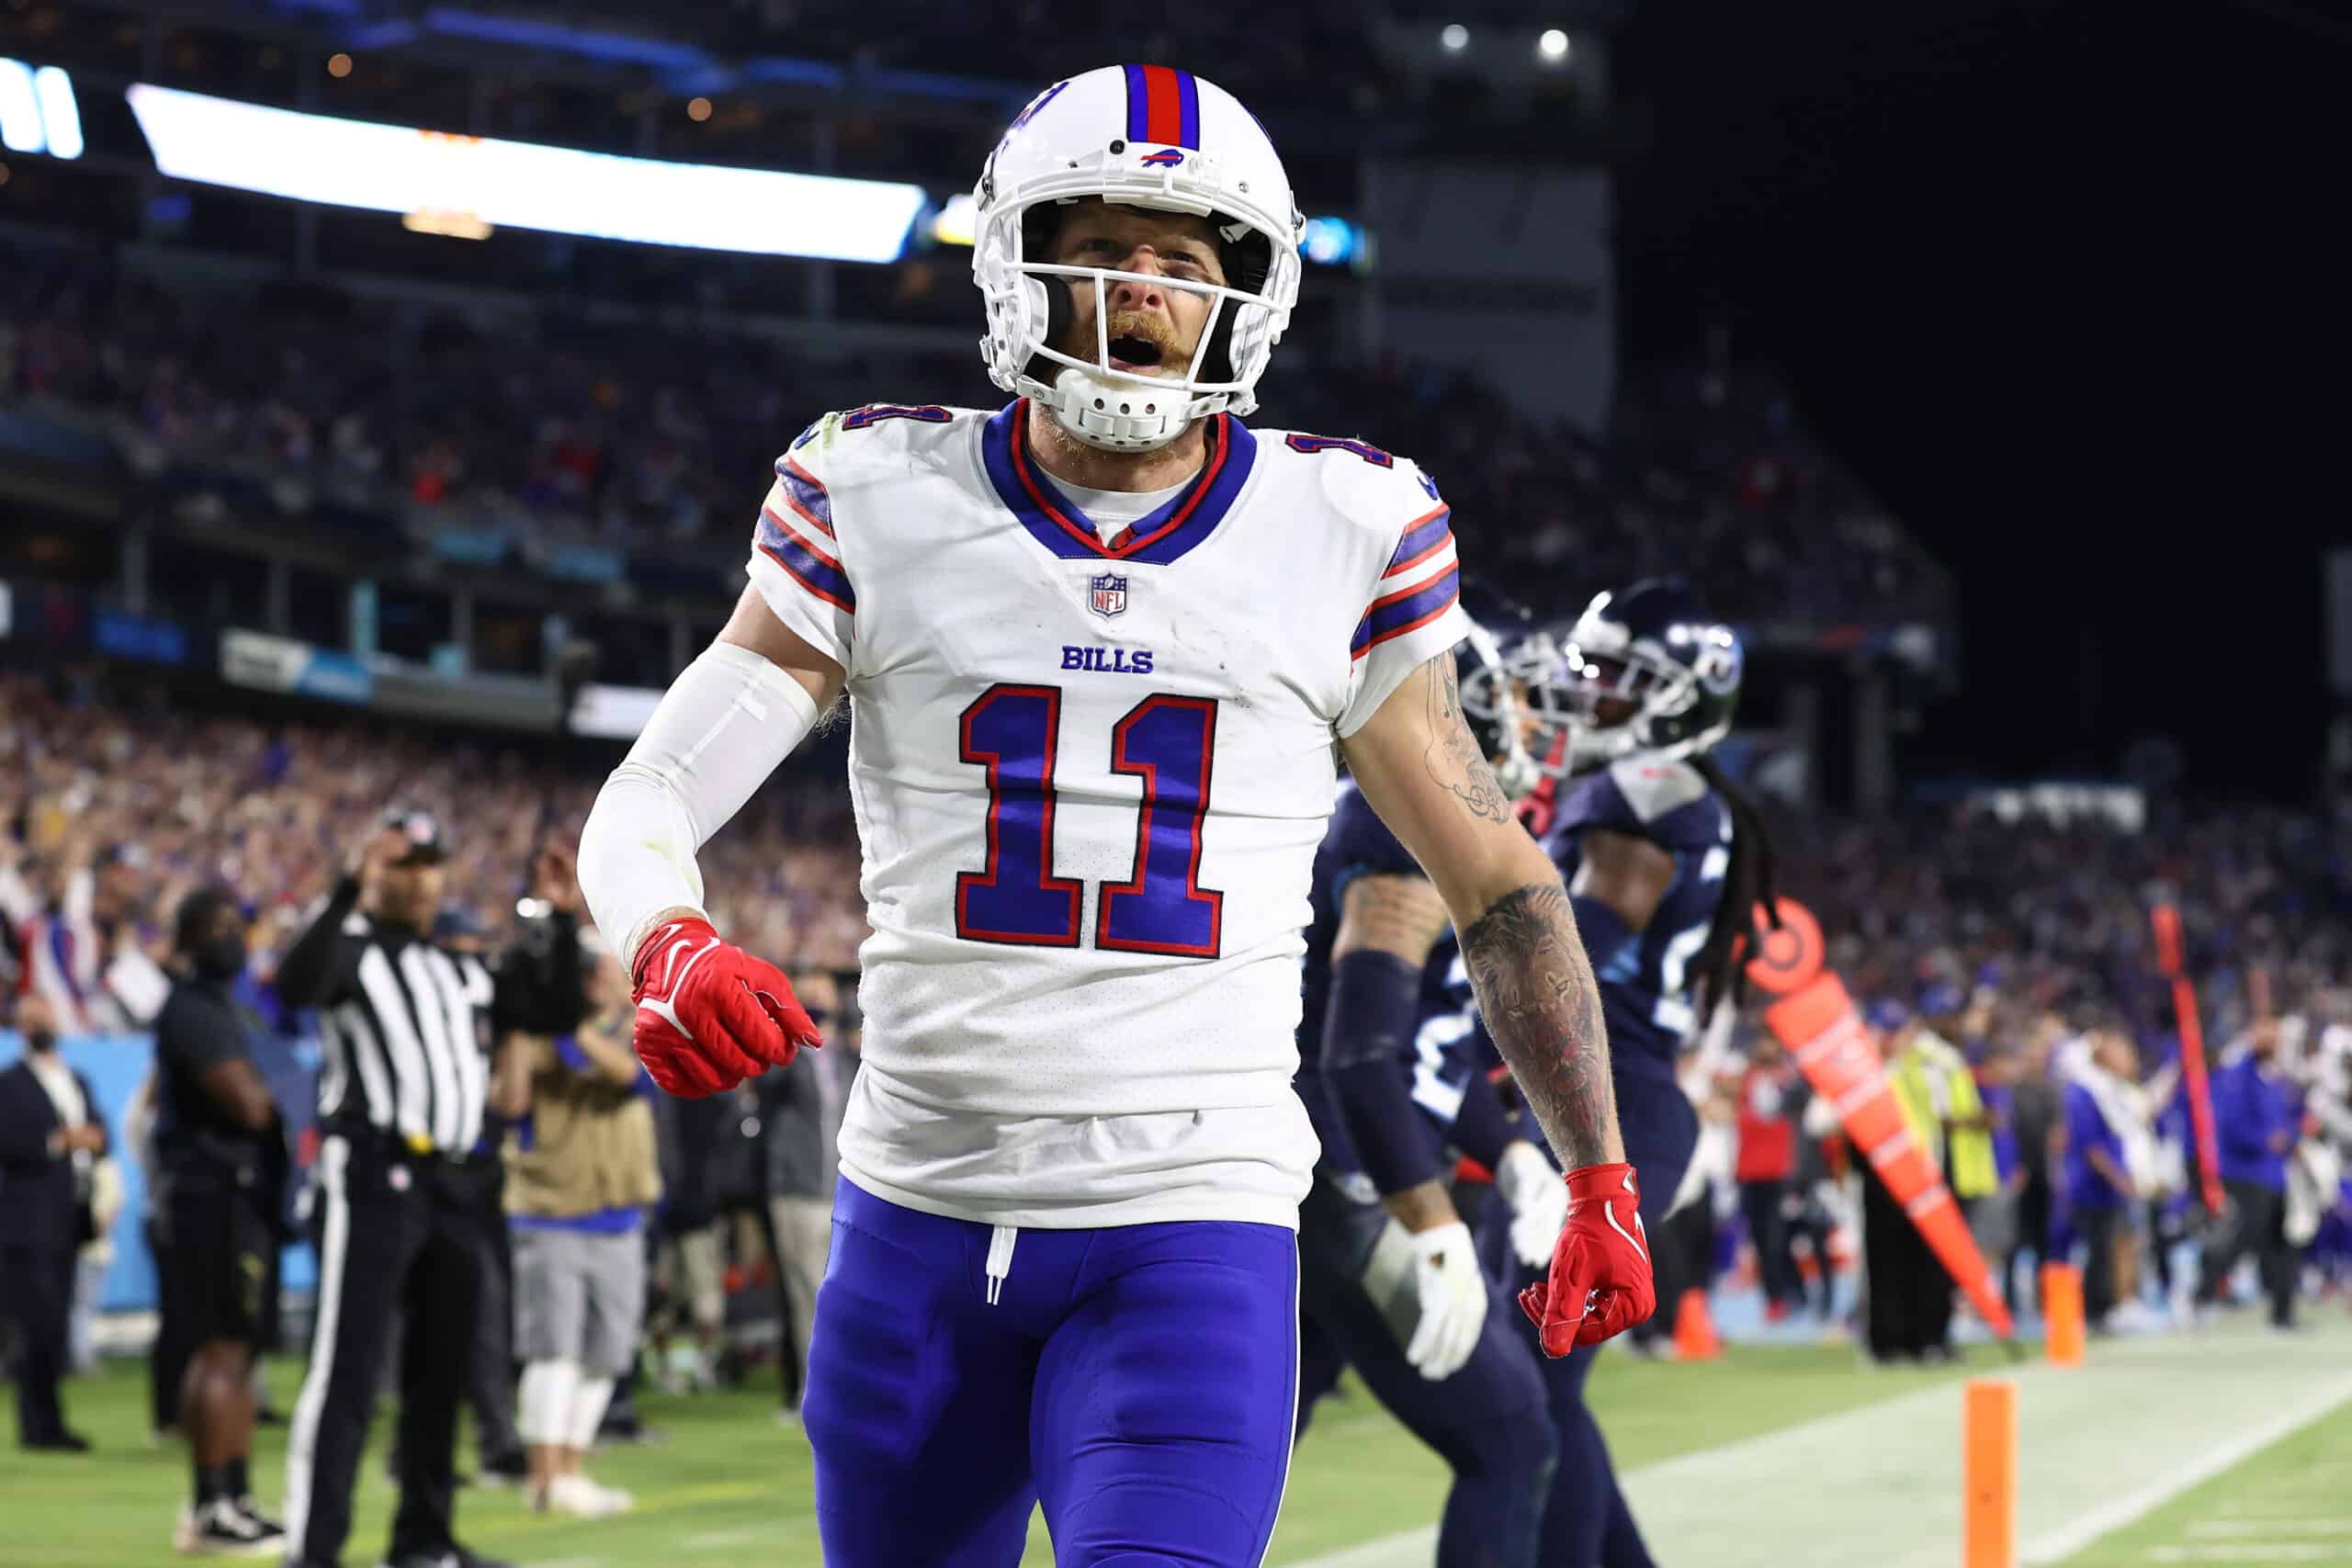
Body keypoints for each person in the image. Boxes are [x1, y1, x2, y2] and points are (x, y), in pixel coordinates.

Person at [577, 63, 1651, 1568]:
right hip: (913, 1220)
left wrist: (1596, 1162)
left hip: (1191, 1224)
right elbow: (657, 786)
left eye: (1186, 263)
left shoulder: (1344, 529)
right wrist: (666, 936)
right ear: (1018, 263)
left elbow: (1501, 882)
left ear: (1248, 300)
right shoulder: (871, 489)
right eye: (1106, 250)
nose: (1144, 292)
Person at [1479, 576, 1776, 1567]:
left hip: (1609, 1099)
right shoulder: (1634, 788)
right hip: (1602, 1090)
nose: (1589, 689)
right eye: (1592, 667)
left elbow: (1561, 947)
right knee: (1535, 1386)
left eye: (1616, 675)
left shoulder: (1644, 794)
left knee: (1532, 1386)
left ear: (1681, 693)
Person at [1290, 605, 1561, 1568]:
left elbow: (1427, 1050)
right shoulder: (1397, 825)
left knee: (1238, 1451)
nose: (1533, 729)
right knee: (1511, 1442)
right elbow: (1358, 1057)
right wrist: (1431, 1220)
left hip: (1327, 1167)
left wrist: (1514, 1150)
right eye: (1517, 705)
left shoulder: (1426, 823)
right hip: (1349, 1182)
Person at [274, 811, 576, 1568]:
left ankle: (424, 1538)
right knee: (347, 1369)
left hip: (457, 1182)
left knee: (440, 1374)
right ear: (377, 871)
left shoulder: (461, 967)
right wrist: (346, 886)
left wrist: (557, 918)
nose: (418, 878)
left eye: (429, 863)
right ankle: (312, 1550)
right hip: (374, 1172)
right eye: (402, 863)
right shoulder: (350, 954)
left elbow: (555, 1007)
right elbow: (295, 983)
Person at [492, 940, 659, 1518]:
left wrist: (576, 1028)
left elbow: (634, 1078)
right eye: (612, 972)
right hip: (550, 1210)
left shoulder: (634, 1027)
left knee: (607, 1353)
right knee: (553, 1351)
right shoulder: (533, 1035)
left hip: (620, 1214)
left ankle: (568, 1468)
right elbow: (508, 1103)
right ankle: (547, 1476)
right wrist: (530, 1022)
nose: (622, 982)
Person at [150, 886, 289, 1554]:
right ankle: (214, 1505)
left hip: (232, 1193)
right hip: (213, 1192)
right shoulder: (193, 1008)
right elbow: (253, 1105)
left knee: (234, 1348)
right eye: (218, 927)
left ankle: (228, 1499)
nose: (232, 937)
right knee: (221, 1348)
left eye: (238, 924)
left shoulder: (225, 1006)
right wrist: (279, 1092)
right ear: (189, 936)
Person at [0, 993, 106, 1451]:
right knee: (36, 1325)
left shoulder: (75, 1078)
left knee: (58, 1323)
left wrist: (86, 1140)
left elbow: (102, 1134)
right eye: (32, 1018)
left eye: (46, 1014)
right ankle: (36, 1424)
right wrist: (60, 1141)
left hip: (70, 1216)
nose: (41, 1023)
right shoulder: (10, 1085)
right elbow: (13, 1144)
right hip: (28, 1223)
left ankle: (52, 1422)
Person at [759, 964, 847, 1420]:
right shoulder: (785, 1057)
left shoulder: (847, 1059)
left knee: (838, 1295)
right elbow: (764, 1088)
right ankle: (813, 1395)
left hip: (842, 1191)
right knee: (806, 1294)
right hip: (797, 1190)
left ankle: (839, 1391)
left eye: (822, 993)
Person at [2198, 1018, 2305, 1328]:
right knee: (2242, 1237)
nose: (2276, 1042)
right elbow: (2229, 1125)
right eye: (2268, 1036)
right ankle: (2202, 1294)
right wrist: (2264, 1140)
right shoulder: (2238, 1076)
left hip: (2274, 1173)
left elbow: (2289, 1121)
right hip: (2244, 1172)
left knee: (2285, 1240)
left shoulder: (2274, 1079)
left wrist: (2291, 1139)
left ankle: (2283, 1314)